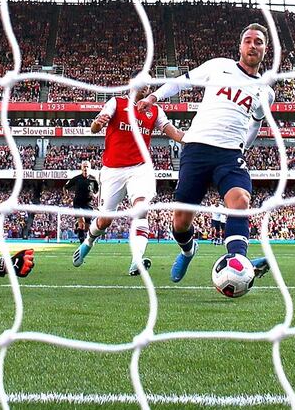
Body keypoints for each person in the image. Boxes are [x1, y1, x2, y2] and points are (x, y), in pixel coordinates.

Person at [136, 23, 275, 282]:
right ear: (240, 46)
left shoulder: (265, 92)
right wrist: (153, 98)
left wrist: (244, 146)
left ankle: (239, 262)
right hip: (197, 148)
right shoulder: (217, 66)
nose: (253, 45)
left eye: (258, 41)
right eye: (248, 40)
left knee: (240, 200)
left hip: (229, 155)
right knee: (180, 222)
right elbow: (180, 83)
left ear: (266, 49)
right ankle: (188, 251)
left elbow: (256, 122)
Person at [72, 82, 185, 275]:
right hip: (112, 170)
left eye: (150, 85)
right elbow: (94, 128)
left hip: (140, 168)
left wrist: (197, 139)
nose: (147, 88)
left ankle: (137, 260)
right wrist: (98, 123)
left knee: (141, 209)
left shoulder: (155, 111)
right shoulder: (116, 102)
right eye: (143, 84)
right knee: (105, 220)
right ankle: (88, 242)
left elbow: (173, 132)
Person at [64, 160, 99, 244]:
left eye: (87, 167)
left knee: (86, 227)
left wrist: (95, 195)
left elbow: (97, 190)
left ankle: (77, 226)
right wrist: (67, 197)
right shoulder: (77, 178)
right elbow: (65, 187)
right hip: (78, 203)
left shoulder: (93, 179)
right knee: (81, 223)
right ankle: (82, 244)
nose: (86, 168)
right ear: (81, 168)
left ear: (90, 168)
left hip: (88, 204)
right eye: (84, 166)